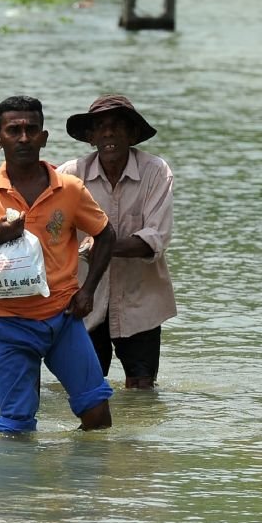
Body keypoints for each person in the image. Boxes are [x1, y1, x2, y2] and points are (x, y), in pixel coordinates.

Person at [0, 95, 117, 433]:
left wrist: (88, 290)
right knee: (16, 426)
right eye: (14, 130)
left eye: (31, 129)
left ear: (44, 137)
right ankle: (21, 487)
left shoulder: (69, 189)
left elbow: (106, 235)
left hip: (63, 318)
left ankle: (76, 484)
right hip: (9, 322)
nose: (24, 137)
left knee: (97, 417)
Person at [57, 94, 176, 390]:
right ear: (90, 137)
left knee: (141, 387)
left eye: (118, 125)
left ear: (133, 134)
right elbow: (47, 228)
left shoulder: (155, 171)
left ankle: (133, 434)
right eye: (100, 126)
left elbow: (155, 239)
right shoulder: (70, 175)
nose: (109, 132)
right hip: (85, 296)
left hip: (139, 298)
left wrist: (101, 246)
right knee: (85, 385)